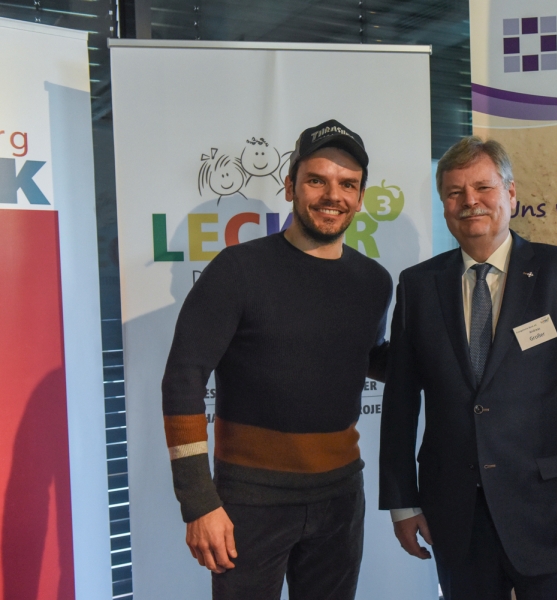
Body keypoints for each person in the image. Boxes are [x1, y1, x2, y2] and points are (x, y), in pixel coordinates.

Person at [379, 136, 557, 600]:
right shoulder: (417, 286)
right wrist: (402, 502)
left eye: (483, 187)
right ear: (444, 205)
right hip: (455, 515)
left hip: (552, 513)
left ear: (511, 193)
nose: (469, 201)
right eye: (454, 192)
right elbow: (401, 402)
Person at [161, 119, 392, 599]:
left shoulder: (374, 281)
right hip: (249, 500)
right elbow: (184, 379)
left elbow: (365, 356)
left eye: (347, 184)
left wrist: (451, 356)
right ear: (290, 187)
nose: (333, 195)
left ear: (360, 198)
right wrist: (199, 502)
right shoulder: (237, 270)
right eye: (316, 180)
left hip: (340, 498)